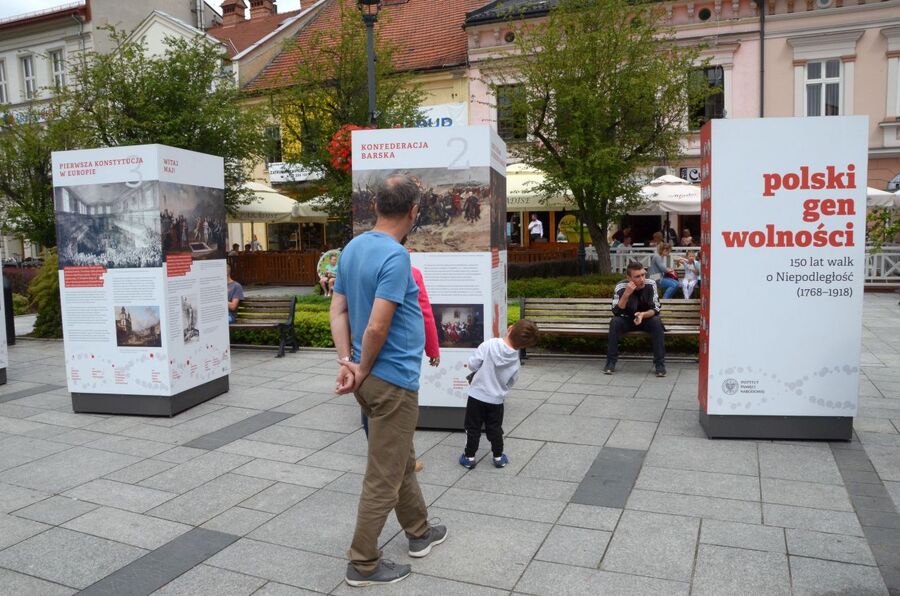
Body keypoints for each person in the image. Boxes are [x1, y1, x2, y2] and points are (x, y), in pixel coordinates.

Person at [330, 174, 447, 587]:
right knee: (384, 473)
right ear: (413, 212)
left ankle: (419, 533)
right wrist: (360, 365)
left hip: (369, 380)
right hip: (392, 380)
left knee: (400, 459)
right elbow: (378, 327)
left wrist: (347, 361)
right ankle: (362, 563)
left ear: (376, 206)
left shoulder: (353, 247)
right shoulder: (395, 256)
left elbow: (338, 311)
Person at [459, 320, 539, 470]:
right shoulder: (515, 361)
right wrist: (501, 390)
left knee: (473, 428)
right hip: (496, 401)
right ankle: (498, 457)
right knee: (495, 428)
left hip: (476, 396)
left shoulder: (489, 344)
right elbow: (511, 381)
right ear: (523, 345)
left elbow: (473, 364)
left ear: (509, 329)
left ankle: (469, 457)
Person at [605, 261, 667, 377]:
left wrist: (642, 315)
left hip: (646, 319)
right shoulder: (621, 286)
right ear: (629, 278)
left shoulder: (651, 284)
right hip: (627, 320)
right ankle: (610, 362)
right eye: (637, 276)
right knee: (615, 322)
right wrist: (626, 294)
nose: (642, 279)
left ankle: (660, 364)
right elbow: (616, 311)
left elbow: (656, 308)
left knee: (656, 321)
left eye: (643, 275)